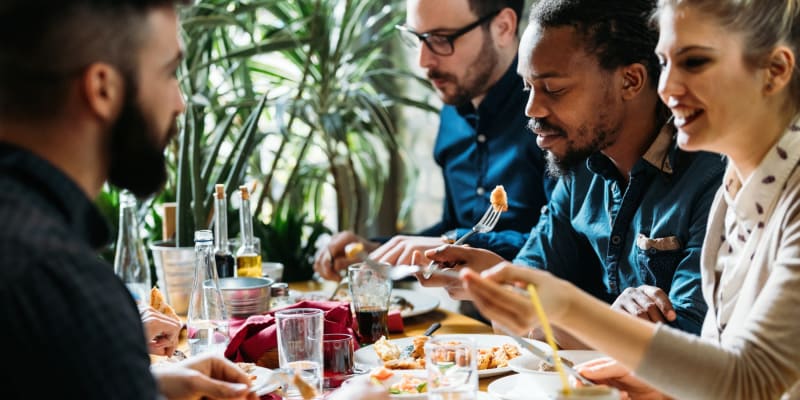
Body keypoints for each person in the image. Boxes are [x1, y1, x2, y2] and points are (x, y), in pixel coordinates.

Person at [459, 0, 800, 398]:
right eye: (664, 62)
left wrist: (566, 307)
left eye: (693, 62)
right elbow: (719, 359)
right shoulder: (735, 186)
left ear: (775, 71)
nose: (667, 86)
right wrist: (659, 381)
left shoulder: (759, 190)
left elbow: (748, 381)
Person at [418, 0, 727, 346]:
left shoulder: (714, 177)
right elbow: (512, 318)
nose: (531, 109)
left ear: (630, 80)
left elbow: (689, 349)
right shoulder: (579, 170)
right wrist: (499, 286)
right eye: (527, 87)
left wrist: (545, 311)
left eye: (553, 89)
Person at [0, 1, 258, 399]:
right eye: (170, 73)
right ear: (103, 88)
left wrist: (138, 382)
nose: (180, 102)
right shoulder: (63, 282)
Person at [314, 0, 552, 280]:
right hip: (471, 315)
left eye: (441, 39)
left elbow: (561, 246)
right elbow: (453, 227)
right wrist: (378, 250)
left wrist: (455, 242)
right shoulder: (452, 112)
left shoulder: (549, 114)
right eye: (417, 38)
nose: (423, 62)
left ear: (503, 27)